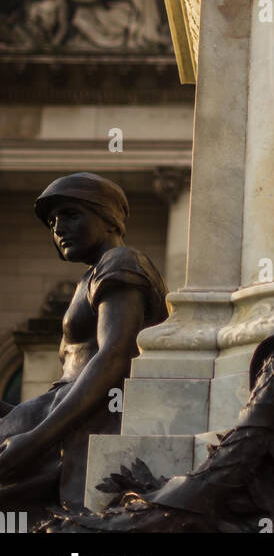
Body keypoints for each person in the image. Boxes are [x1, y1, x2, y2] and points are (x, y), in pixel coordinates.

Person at [0, 173, 167, 512]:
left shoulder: (121, 262)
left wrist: (36, 440)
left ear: (109, 219)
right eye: (52, 221)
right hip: (59, 413)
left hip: (85, 424)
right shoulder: (92, 275)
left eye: (71, 215)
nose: (58, 228)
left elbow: (115, 356)